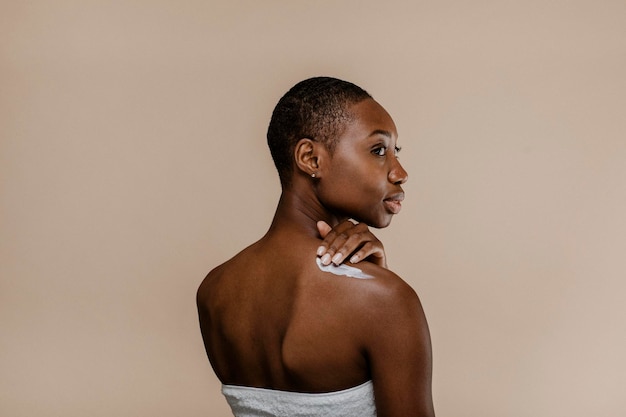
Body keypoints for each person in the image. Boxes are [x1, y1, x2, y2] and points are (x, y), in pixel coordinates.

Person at [197, 77, 434, 416]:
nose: (400, 173)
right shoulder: (385, 302)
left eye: (396, 152)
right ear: (311, 158)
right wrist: (384, 293)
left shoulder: (214, 291)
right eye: (378, 150)